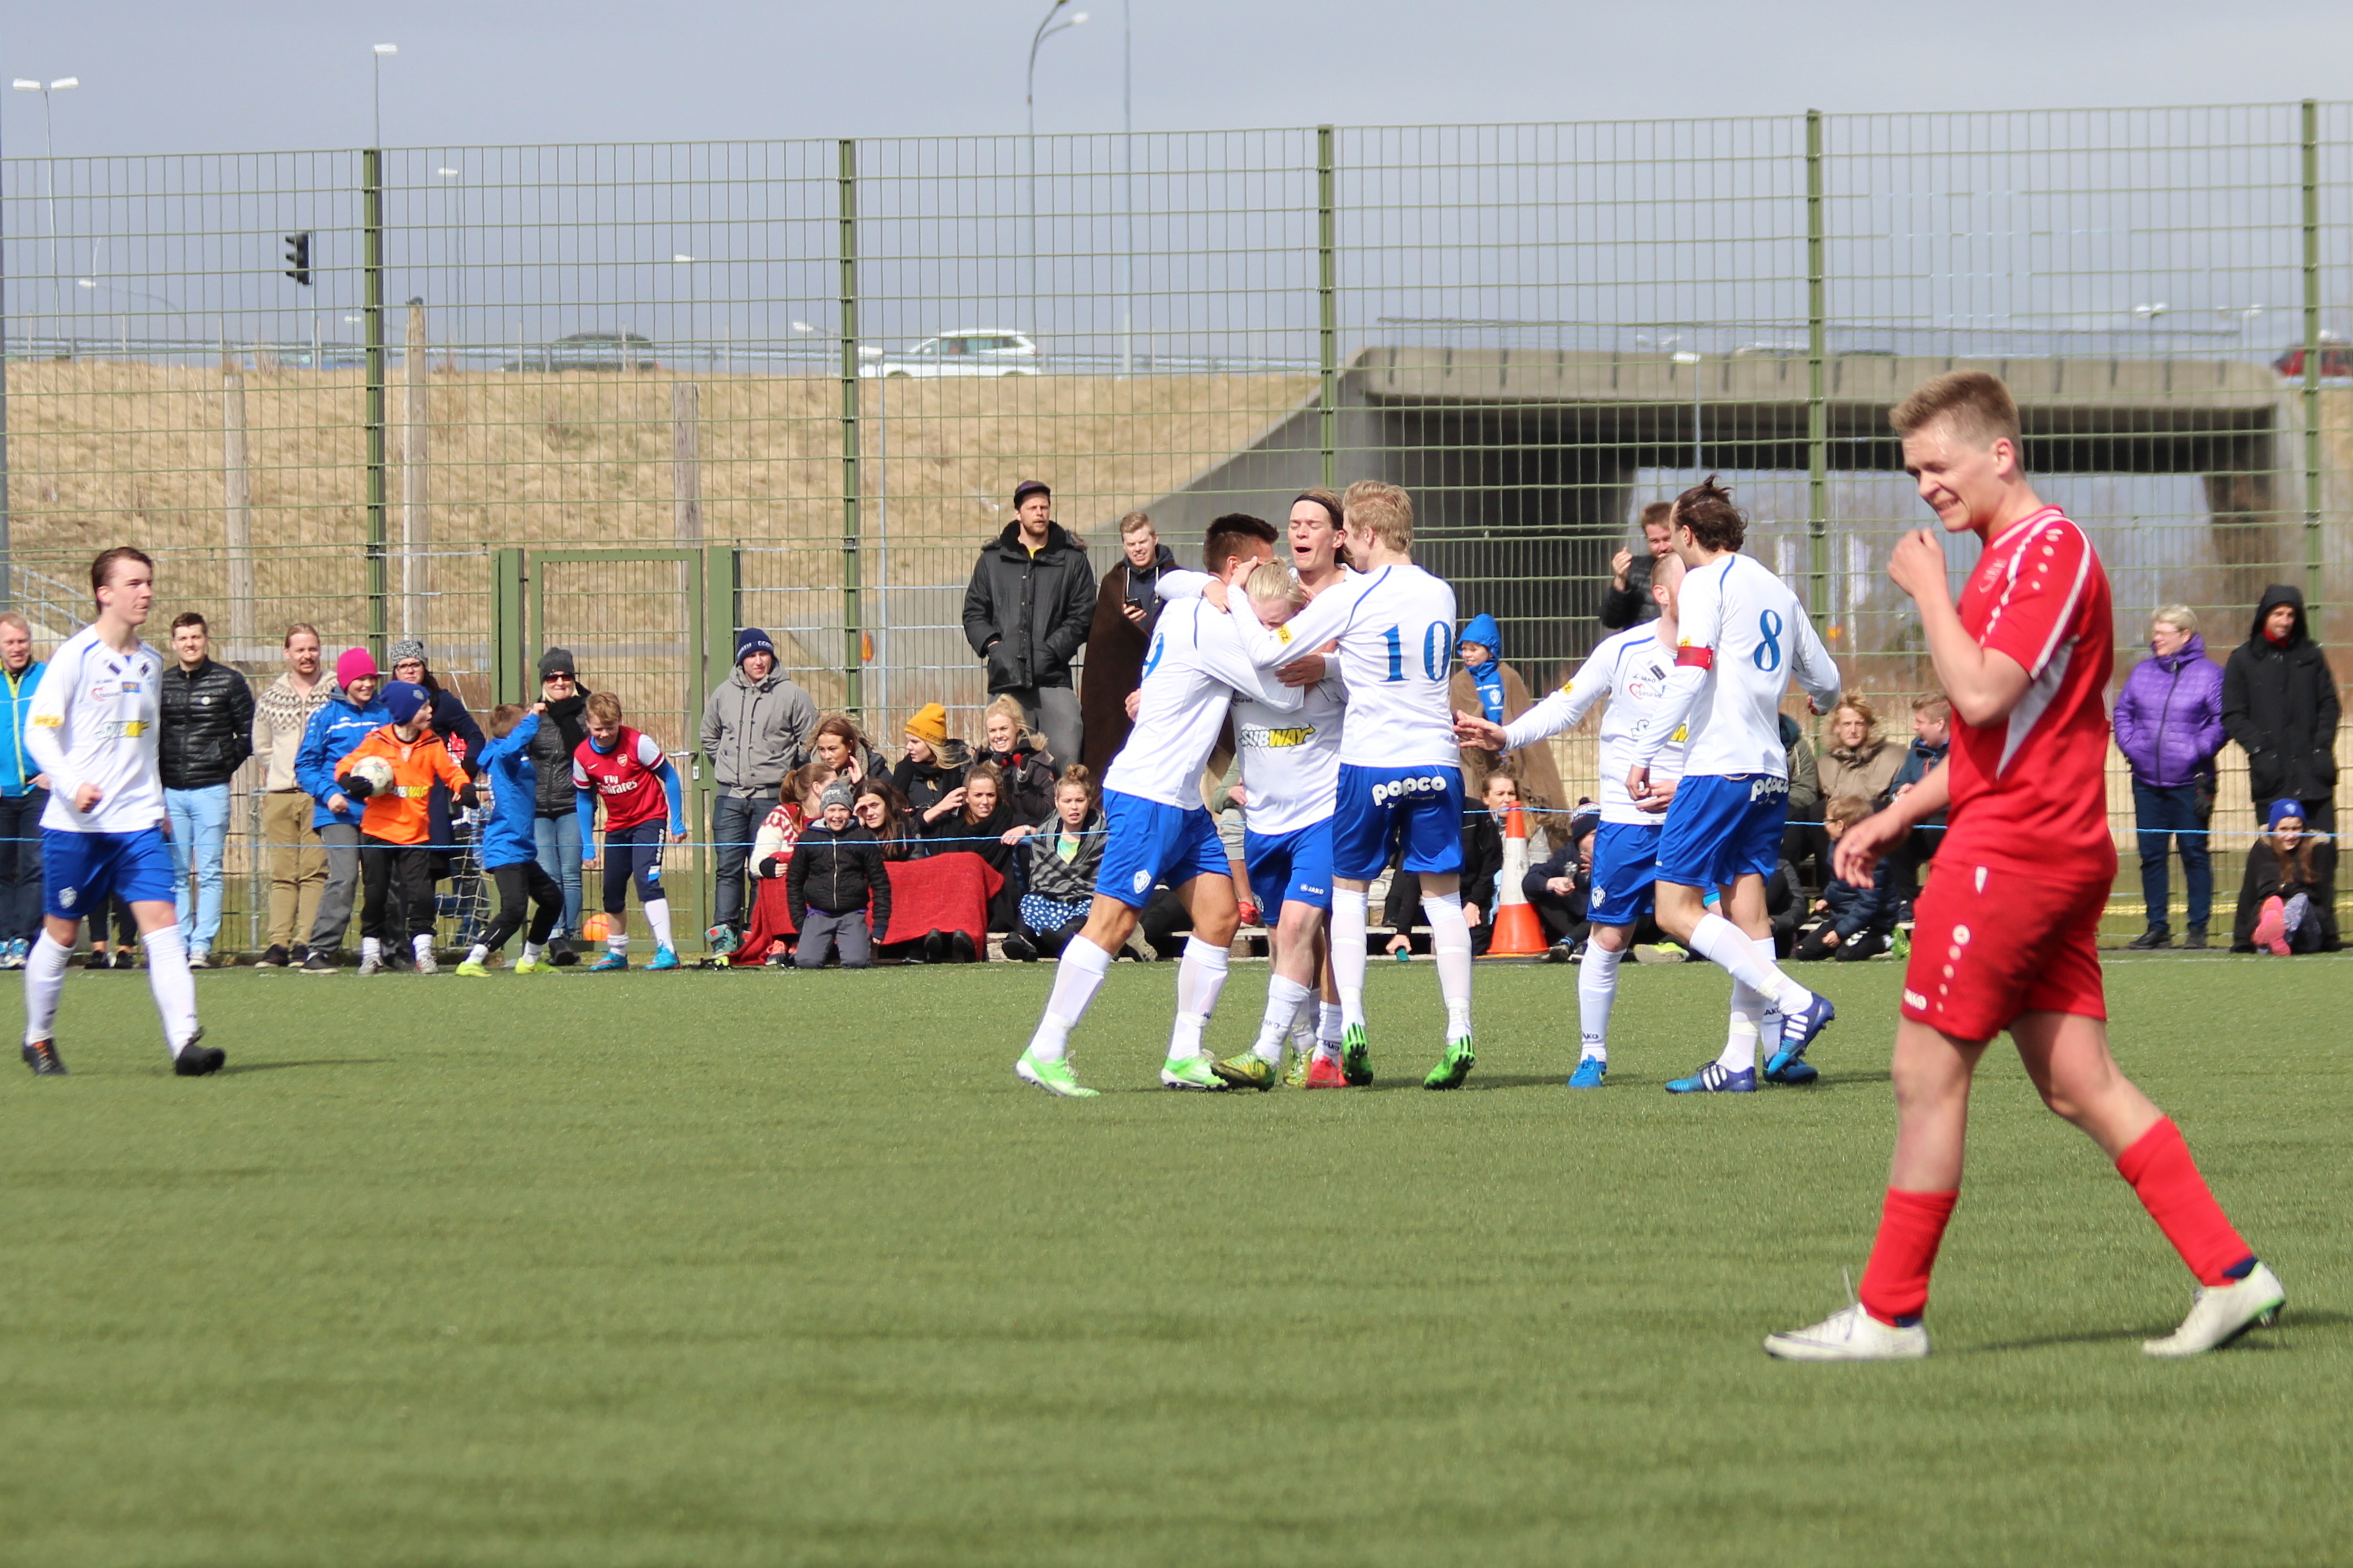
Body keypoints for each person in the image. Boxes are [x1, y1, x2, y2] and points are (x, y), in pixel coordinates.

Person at [1766, 369, 2281, 1363]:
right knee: (2078, 1081)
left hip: (2014, 853)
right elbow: (1995, 739)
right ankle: (2231, 1272)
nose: (1926, 487)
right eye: (1914, 472)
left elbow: (1980, 694)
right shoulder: (2009, 558)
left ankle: (1889, 1315)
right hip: (2042, 845)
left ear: (2000, 453)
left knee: (1923, 1072)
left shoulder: (2046, 551)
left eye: (1937, 465)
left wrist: (1927, 592)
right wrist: (1896, 811)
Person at [1011, 531, 1305, 1097]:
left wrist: (1213, 587)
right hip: (1149, 793)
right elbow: (1286, 697)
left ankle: (1184, 1055)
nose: (1271, 579)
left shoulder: (1187, 598)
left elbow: (1169, 581)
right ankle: (1045, 1048)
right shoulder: (1218, 625)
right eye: (1262, 568)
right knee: (1113, 922)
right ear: (1235, 568)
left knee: (1220, 916)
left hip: (1183, 801)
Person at [1215, 482, 1479, 1091]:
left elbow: (1266, 649)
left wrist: (1234, 591)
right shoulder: (1440, 591)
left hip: (1371, 761)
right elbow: (1387, 659)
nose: (1348, 550)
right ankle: (1459, 1028)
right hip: (1437, 762)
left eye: (1351, 537)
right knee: (1442, 900)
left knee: (1350, 895)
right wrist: (1335, 664)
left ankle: (1351, 1023)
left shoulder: (1353, 593)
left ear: (1365, 534)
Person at [1621, 477, 1842, 1094]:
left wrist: (1643, 752)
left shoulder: (1703, 582)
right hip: (1768, 773)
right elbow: (1827, 680)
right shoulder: (1776, 588)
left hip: (1717, 766)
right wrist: (1822, 702)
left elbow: (1691, 668)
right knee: (1748, 915)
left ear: (1687, 534)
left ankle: (1794, 1000)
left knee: (1674, 909)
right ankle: (1741, 1061)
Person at [1460, 552, 1689, 1087]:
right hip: (1628, 822)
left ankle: (1768, 1040)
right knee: (1609, 936)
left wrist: (1690, 785)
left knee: (1735, 920)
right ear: (1661, 594)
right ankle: (1592, 1053)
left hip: (1695, 811)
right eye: (1690, 585)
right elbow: (1564, 706)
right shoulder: (1622, 650)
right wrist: (1506, 733)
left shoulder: (1720, 651)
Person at [18, 547, 219, 1076]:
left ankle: (185, 1043)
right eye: (134, 583)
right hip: (77, 827)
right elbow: (38, 732)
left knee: (163, 924)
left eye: (148, 582)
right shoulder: (75, 656)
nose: (146, 592)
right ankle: (37, 1038)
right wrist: (71, 784)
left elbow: (144, 745)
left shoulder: (150, 662)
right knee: (62, 934)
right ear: (104, 593)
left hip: (137, 825)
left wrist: (156, 802)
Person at [1198, 496, 1356, 1090]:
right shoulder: (1238, 664)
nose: (1268, 640)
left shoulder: (1322, 663)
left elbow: (1379, 683)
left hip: (1322, 816)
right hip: (1262, 824)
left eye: (1278, 627)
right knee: (1282, 939)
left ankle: (1296, 1050)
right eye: (1258, 627)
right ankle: (1307, 1050)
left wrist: (1329, 668)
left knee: (1300, 929)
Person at [335, 681, 475, 976]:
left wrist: (464, 787)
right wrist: (349, 782)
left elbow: (451, 772)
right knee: (376, 895)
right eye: (423, 707)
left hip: (416, 834)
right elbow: (345, 765)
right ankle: (371, 953)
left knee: (421, 895)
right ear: (406, 712)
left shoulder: (432, 743)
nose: (430, 711)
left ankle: (423, 952)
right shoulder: (378, 740)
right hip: (378, 832)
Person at [962, 478, 1095, 771]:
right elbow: (974, 612)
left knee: (1068, 755)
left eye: (1044, 507)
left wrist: (1051, 651)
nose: (1039, 513)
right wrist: (995, 647)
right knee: (1003, 764)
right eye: (1032, 508)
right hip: (1005, 678)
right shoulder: (992, 561)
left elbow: (1082, 615)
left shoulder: (1072, 560)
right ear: (1018, 513)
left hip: (1053, 677)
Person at [699, 626, 816, 955]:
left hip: (771, 799)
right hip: (730, 798)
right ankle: (724, 934)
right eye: (751, 655)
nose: (758, 661)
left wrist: (784, 772)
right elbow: (709, 736)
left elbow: (808, 743)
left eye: (764, 654)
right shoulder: (723, 693)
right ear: (741, 660)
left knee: (762, 868)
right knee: (727, 868)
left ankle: (757, 934)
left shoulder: (793, 695)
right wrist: (728, 765)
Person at [2113, 606, 2224, 950]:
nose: (2155, 638)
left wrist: (2196, 750)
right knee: (2151, 856)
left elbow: (2221, 721)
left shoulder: (2210, 675)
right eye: (2155, 631)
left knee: (2194, 853)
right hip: (2146, 782)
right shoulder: (2142, 672)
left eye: (2163, 632)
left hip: (2191, 783)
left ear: (2185, 635)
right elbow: (2123, 711)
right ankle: (2157, 927)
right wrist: (2132, 746)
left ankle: (2197, 929)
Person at [158, 611, 255, 965]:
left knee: (211, 870)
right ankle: (180, 941)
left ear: (206, 640)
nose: (190, 644)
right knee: (177, 871)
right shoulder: (161, 684)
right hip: (171, 791)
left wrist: (222, 764)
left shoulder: (229, 681)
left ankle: (202, 945)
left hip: (211, 790)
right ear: (173, 644)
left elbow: (249, 734)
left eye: (196, 637)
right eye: (183, 638)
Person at [574, 692, 689, 971]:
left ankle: (667, 950)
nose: (604, 734)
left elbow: (670, 777)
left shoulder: (639, 744)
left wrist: (676, 821)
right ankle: (617, 953)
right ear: (587, 724)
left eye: (610, 728)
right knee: (611, 891)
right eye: (598, 729)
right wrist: (587, 844)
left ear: (620, 721)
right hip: (617, 826)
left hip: (650, 819)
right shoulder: (582, 755)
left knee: (647, 880)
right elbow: (584, 799)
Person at [296, 650, 389, 973]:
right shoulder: (326, 716)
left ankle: (388, 948)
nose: (367, 685)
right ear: (346, 682)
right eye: (360, 679)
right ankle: (319, 950)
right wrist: (330, 794)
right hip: (338, 812)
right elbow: (306, 765)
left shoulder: (385, 714)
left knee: (383, 881)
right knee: (345, 877)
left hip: (379, 811)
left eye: (371, 679)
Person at [456, 702, 565, 977]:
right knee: (514, 911)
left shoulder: (506, 754)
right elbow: (511, 747)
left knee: (552, 900)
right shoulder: (504, 755)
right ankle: (472, 960)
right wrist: (533, 718)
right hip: (505, 848)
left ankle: (529, 960)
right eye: (526, 724)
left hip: (521, 850)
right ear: (518, 730)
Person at [251, 623, 335, 968]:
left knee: (315, 871)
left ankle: (305, 942)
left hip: (319, 796)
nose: (307, 656)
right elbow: (262, 746)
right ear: (287, 653)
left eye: (312, 648)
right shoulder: (271, 696)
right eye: (300, 650)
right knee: (283, 872)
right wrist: (283, 770)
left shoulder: (335, 691)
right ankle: (278, 944)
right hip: (281, 794)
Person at [2222, 583, 2337, 835]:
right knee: (2277, 855)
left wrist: (2321, 747)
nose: (2285, 621)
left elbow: (2329, 704)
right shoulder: (2243, 659)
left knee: (2323, 851)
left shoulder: (2311, 655)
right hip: (2272, 778)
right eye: (2278, 614)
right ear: (2265, 615)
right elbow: (2233, 715)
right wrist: (2262, 752)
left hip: (2314, 776)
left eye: (2291, 614)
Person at [1082, 511, 1177, 776]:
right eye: (1131, 544)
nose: (1138, 549)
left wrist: (1147, 625)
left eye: (1143, 542)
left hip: (1165, 677)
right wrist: (1124, 625)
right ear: (1124, 546)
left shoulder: (1175, 578)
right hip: (1121, 682)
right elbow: (1102, 640)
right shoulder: (1113, 583)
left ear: (1155, 539)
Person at [1448, 611, 1566, 816]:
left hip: (1510, 751)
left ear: (1490, 651)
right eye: (1464, 649)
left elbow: (1522, 714)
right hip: (1479, 754)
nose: (1467, 655)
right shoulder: (1460, 682)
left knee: (1523, 799)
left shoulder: (1508, 676)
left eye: (1473, 649)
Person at [1003, 767, 1107, 962]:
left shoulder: (1103, 836)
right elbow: (1040, 878)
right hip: (1050, 897)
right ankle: (1022, 940)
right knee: (1031, 901)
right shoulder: (1045, 834)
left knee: (1092, 906)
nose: (1074, 807)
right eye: (1067, 801)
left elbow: (1099, 879)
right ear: (1057, 802)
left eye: (1080, 800)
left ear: (1089, 801)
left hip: (1083, 898)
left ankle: (1065, 936)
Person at [786, 779, 893, 969]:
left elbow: (880, 883)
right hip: (818, 913)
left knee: (857, 962)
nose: (837, 816)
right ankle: (817, 946)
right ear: (824, 811)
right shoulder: (808, 838)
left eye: (843, 810)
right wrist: (801, 922)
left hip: (852, 913)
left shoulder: (863, 838)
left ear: (850, 811)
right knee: (807, 962)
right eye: (832, 810)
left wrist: (880, 924)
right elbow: (794, 881)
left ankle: (853, 945)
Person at [528, 649, 591, 963]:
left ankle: (567, 935)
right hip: (537, 807)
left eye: (566, 676)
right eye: (552, 677)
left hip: (573, 803)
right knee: (549, 873)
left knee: (570, 873)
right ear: (543, 681)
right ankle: (554, 937)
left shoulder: (587, 712)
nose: (559, 682)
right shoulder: (534, 716)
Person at [923, 759, 1021, 938]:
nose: (985, 802)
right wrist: (940, 807)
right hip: (960, 904)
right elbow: (910, 829)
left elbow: (1045, 830)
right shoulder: (951, 827)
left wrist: (1027, 830)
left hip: (998, 906)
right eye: (978, 795)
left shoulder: (1009, 819)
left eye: (990, 795)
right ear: (966, 797)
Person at [1789, 795, 1895, 962]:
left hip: (1872, 921)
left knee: (1845, 955)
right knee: (1804, 952)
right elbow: (1837, 882)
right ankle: (1848, 942)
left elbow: (1869, 904)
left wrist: (1840, 933)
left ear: (1840, 825)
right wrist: (1828, 899)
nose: (1824, 824)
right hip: (1844, 916)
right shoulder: (1835, 847)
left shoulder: (1869, 858)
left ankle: (1887, 940)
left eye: (1828, 820)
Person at [0, 612, 49, 968]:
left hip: (37, 791)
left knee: (34, 866)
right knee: (2, 868)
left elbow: (69, 725)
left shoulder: (46, 677)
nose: (17, 648)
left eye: (22, 641)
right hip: (3, 794)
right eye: (10, 642)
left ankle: (22, 939)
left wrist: (51, 773)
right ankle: (3, 938)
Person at [2234, 799, 2339, 955]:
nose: (2290, 835)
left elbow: (2326, 894)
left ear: (2304, 828)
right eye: (2283, 829)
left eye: (2296, 829)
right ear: (2273, 829)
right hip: (2269, 909)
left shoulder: (2318, 849)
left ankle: (2272, 936)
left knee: (2300, 901)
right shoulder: (2261, 849)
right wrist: (2241, 940)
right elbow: (2248, 894)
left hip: (2308, 925)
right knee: (2270, 904)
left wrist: (2330, 938)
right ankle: (2271, 935)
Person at [977, 696, 1057, 824]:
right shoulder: (980, 761)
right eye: (992, 731)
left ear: (1017, 728)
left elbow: (1049, 812)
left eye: (1004, 729)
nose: (998, 736)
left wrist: (1025, 788)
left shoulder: (1037, 761)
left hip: (1029, 831)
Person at [891, 703, 972, 827]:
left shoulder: (962, 768)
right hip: (918, 837)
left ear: (932, 744)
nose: (908, 747)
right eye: (908, 741)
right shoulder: (904, 770)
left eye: (915, 742)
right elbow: (893, 817)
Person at [1600, 501, 1675, 630]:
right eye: (1655, 541)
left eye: (1667, 539)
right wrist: (1620, 580)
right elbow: (1611, 621)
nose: (1662, 547)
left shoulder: (1696, 569)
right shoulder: (1634, 570)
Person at [811, 713, 889, 786]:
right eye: (822, 749)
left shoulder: (874, 768)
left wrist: (861, 785)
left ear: (849, 746)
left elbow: (891, 795)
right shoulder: (810, 770)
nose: (826, 756)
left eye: (832, 749)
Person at [853, 778, 919, 861]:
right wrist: (857, 828)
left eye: (874, 805)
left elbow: (917, 861)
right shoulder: (853, 832)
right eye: (863, 808)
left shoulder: (908, 824)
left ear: (888, 804)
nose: (869, 813)